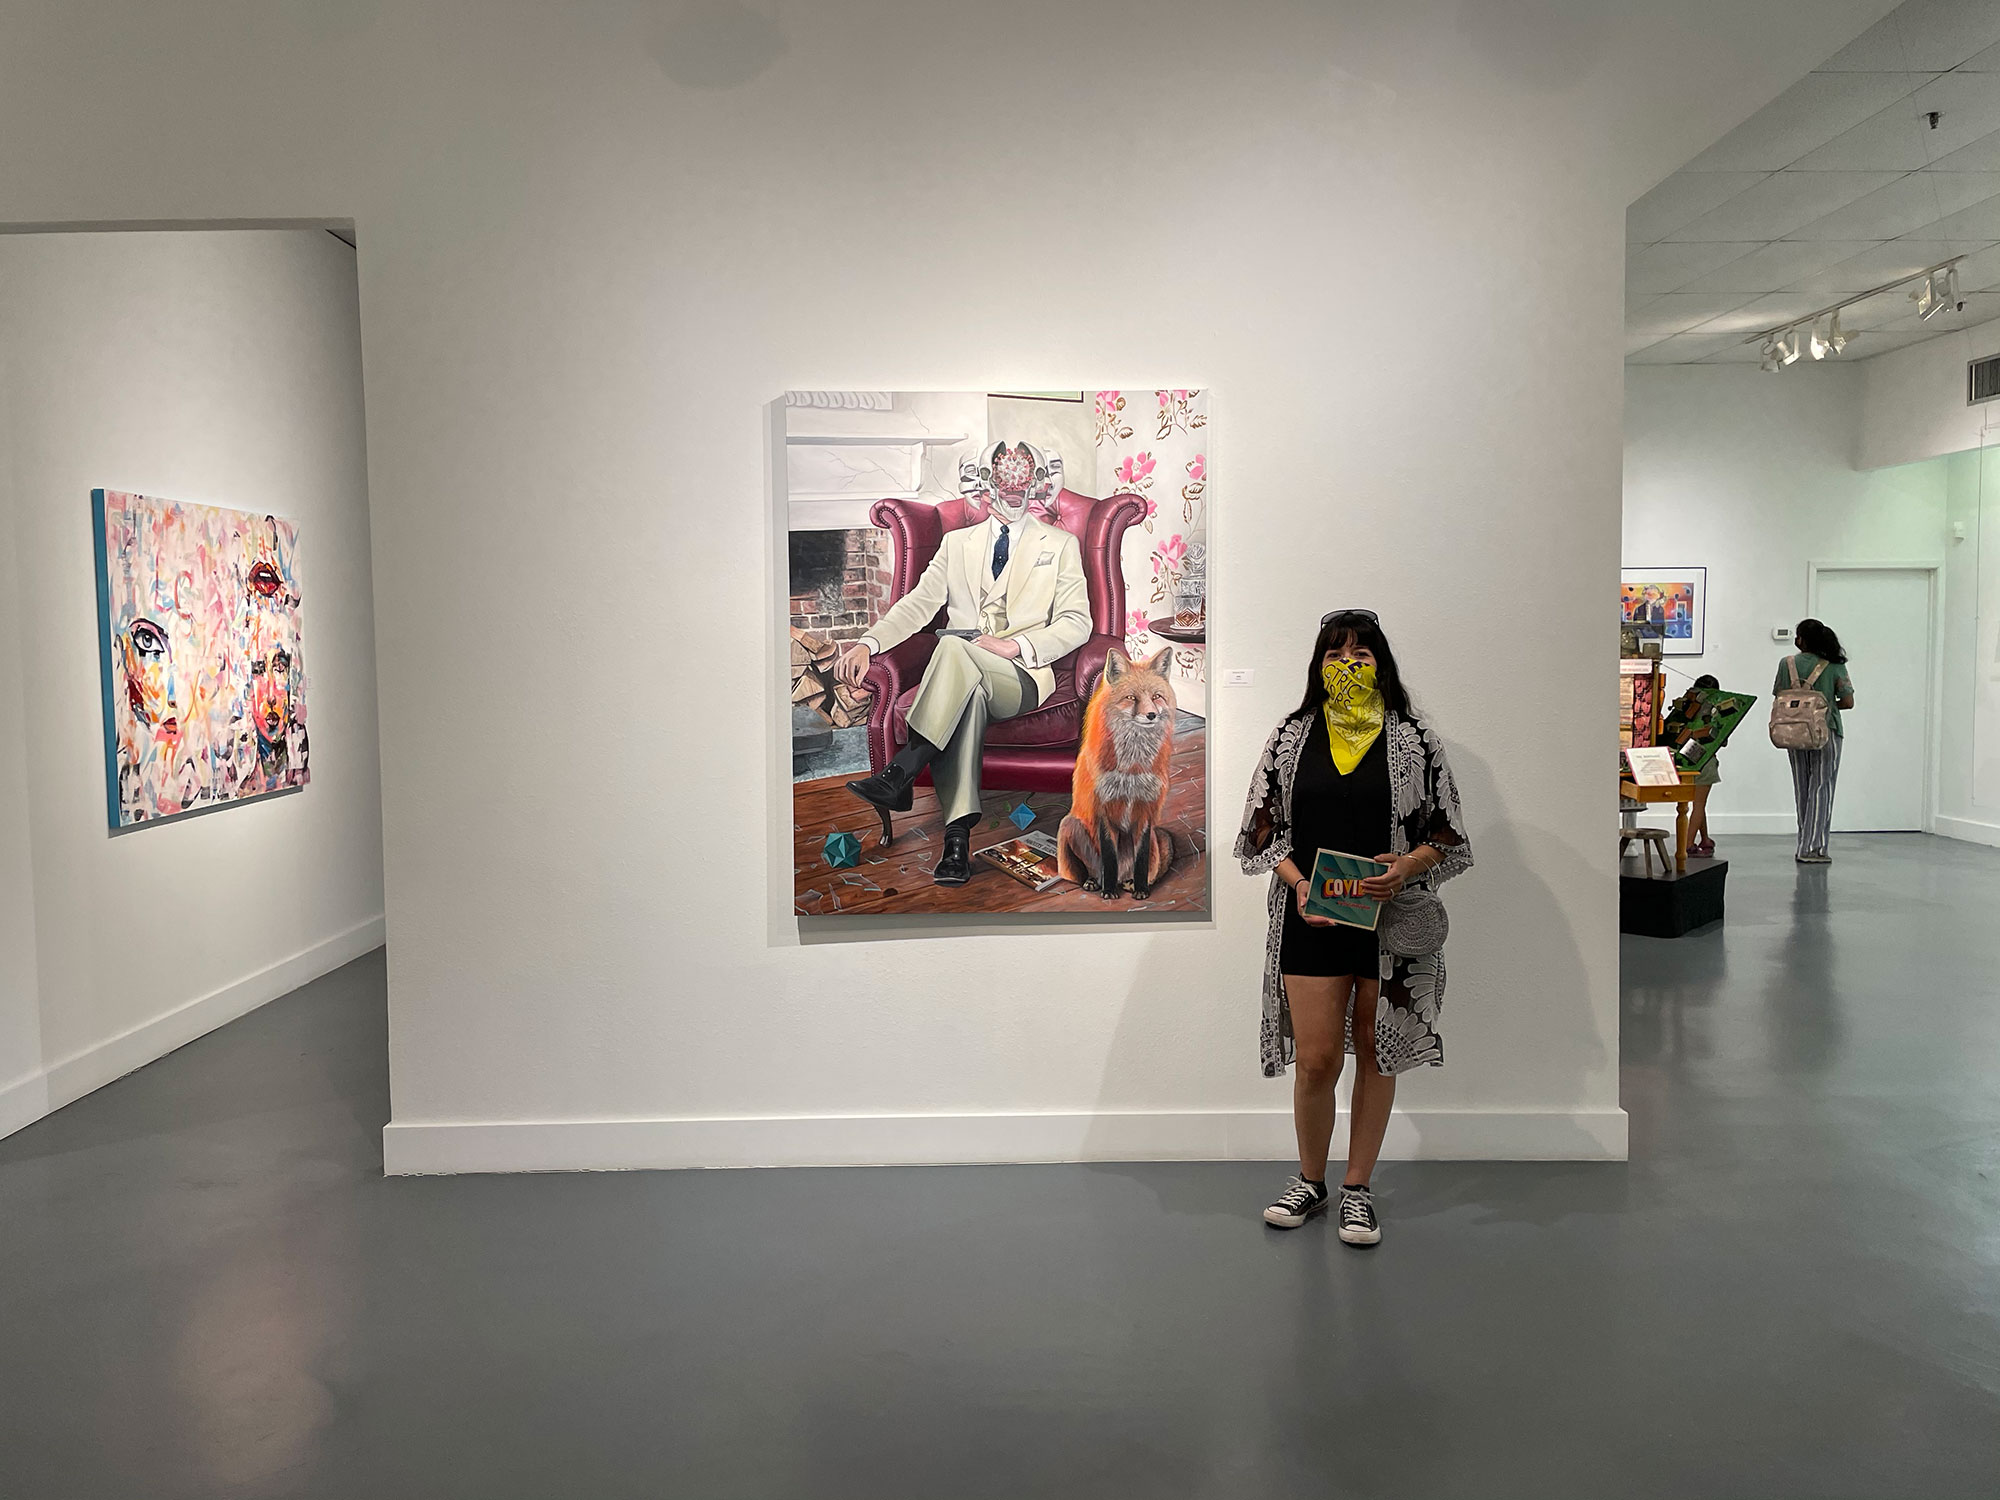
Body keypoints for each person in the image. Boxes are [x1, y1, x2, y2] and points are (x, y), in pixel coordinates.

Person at [1234, 610, 1472, 1246]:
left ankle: (1358, 1188)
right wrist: (1298, 884)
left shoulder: (1415, 740)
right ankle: (1310, 1180)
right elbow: (1260, 830)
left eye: (1360, 655)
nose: (1347, 666)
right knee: (1315, 1060)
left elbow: (1448, 833)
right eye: (1335, 655)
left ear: (1381, 664)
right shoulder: (1290, 738)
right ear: (1318, 666)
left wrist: (1407, 866)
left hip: (1388, 924)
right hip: (1312, 916)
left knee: (1375, 1049)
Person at [836, 441, 1090, 885]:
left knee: (951, 648)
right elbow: (918, 605)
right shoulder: (956, 544)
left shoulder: (1061, 544)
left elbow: (1078, 621)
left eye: (1021, 488)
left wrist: (1017, 646)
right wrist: (868, 643)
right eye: (1002, 487)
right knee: (965, 691)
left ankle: (905, 768)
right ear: (985, 487)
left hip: (1021, 677)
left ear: (1034, 487)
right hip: (965, 678)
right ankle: (956, 842)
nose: (1011, 496)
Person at [1776, 619, 1854, 865]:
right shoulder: (1834, 665)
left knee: (1802, 787)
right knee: (1822, 788)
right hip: (1827, 731)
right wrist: (1826, 705)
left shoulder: (1787, 664)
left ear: (1802, 639)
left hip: (1793, 732)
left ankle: (1803, 842)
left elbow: (1780, 696)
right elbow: (1848, 701)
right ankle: (1814, 847)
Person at [1671, 673, 1722, 858]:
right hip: (1705, 760)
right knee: (1699, 805)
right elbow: (1721, 740)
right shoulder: (1715, 711)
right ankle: (1688, 845)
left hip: (1687, 757)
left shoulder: (1688, 707)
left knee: (1698, 804)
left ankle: (1705, 839)